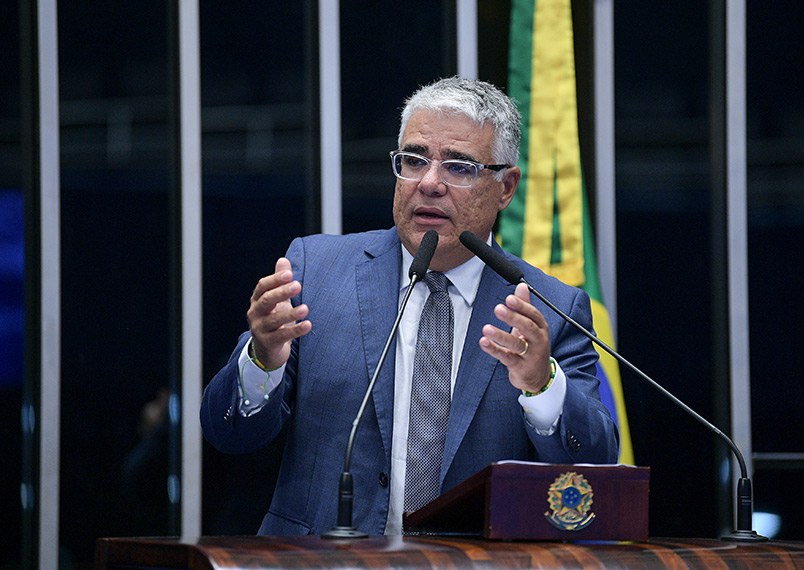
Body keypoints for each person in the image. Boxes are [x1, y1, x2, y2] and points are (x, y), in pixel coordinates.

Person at [201, 76, 619, 536]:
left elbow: (595, 470)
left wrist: (542, 386)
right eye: (414, 160)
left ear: (506, 187)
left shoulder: (550, 307)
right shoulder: (314, 273)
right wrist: (262, 361)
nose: (430, 183)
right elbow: (230, 435)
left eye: (459, 167)